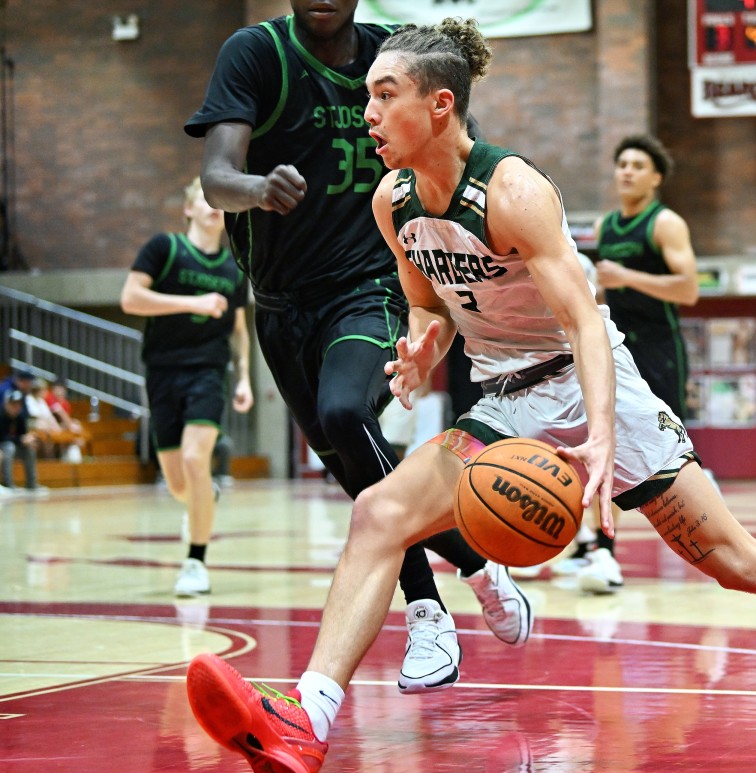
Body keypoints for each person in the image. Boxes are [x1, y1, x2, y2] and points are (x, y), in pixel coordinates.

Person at [184, 20, 756, 773]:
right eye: (367, 94)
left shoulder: (510, 192)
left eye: (383, 93)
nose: (366, 111)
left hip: (589, 380)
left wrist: (599, 436)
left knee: (735, 558)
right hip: (506, 396)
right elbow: (432, 304)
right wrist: (421, 348)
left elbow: (586, 320)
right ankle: (308, 719)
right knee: (377, 514)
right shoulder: (393, 201)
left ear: (439, 103)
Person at [183, 0, 530, 691]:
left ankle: (425, 610)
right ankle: (475, 563)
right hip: (281, 303)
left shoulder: (389, 55)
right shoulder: (256, 54)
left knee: (347, 413)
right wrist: (256, 187)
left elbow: (455, 141)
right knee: (347, 458)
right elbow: (217, 175)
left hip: (370, 282)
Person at [553, 134, 701, 594]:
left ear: (656, 178)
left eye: (638, 165)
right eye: (622, 164)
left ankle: (702, 535)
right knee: (604, 441)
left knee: (665, 452)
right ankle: (597, 549)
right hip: (618, 347)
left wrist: (627, 277)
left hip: (659, 347)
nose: (627, 171)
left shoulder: (666, 223)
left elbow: (689, 289)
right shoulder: (607, 225)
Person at [121, 177, 255, 597]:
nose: (213, 205)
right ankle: (201, 497)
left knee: (198, 459)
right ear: (190, 209)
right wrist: (191, 303)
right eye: (204, 197)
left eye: (218, 200)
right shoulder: (165, 249)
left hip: (208, 372)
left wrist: (245, 377)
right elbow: (130, 299)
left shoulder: (234, 269)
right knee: (179, 483)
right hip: (162, 371)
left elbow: (238, 330)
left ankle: (195, 561)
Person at [1, 388, 41, 493]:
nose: (16, 407)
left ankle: (32, 484)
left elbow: (23, 435)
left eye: (18, 404)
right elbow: (2, 437)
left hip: (15, 445)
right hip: (3, 447)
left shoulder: (21, 417)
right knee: (9, 448)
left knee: (29, 449)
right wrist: (21, 439)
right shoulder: (1, 416)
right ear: (7, 404)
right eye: (13, 404)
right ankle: (8, 484)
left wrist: (31, 439)